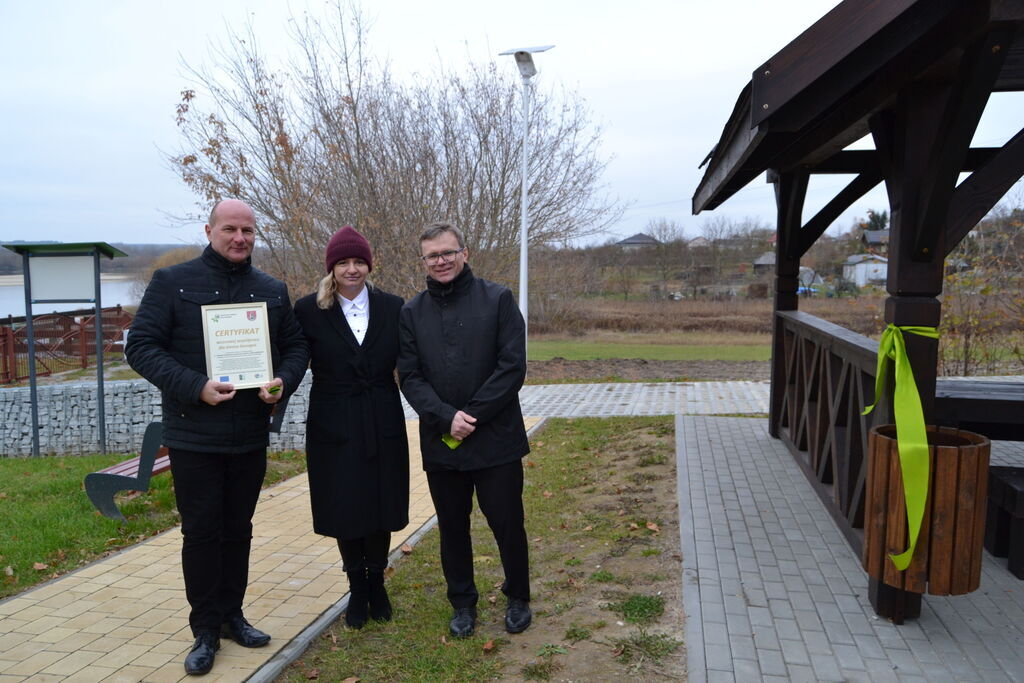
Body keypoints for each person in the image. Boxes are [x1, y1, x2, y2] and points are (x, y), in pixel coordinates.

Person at [125, 199, 309, 676]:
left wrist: (282, 382)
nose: (240, 238)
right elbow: (141, 346)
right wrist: (195, 387)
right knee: (202, 533)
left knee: (239, 530)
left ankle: (232, 616)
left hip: (248, 435)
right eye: (230, 228)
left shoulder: (270, 289)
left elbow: (295, 347)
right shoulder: (173, 282)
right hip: (193, 435)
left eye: (248, 230)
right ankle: (204, 629)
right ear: (209, 230)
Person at [397, 221, 532, 638]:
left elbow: (512, 367)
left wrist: (470, 415)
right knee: (452, 528)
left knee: (507, 523)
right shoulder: (412, 311)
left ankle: (518, 596)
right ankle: (462, 604)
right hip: (443, 441)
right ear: (423, 261)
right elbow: (410, 375)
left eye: (447, 252)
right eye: (432, 255)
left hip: (496, 440)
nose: (441, 261)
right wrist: (445, 417)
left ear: (465, 253)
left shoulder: (498, 299)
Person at [293, 226, 409, 629]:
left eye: (359, 261)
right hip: (333, 417)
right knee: (345, 502)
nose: (352, 269)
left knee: (380, 502)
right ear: (331, 268)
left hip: (381, 412)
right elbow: (292, 358)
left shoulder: (393, 307)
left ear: (369, 265)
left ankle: (377, 581)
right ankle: (356, 587)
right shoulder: (309, 310)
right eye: (343, 262)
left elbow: (411, 362)